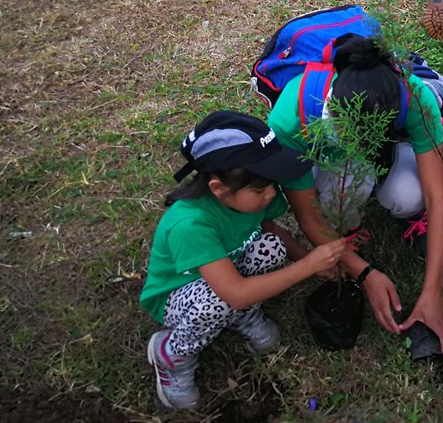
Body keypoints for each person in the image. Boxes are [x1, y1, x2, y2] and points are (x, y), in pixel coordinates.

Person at [141, 112, 346, 410]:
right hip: (179, 296)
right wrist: (308, 266)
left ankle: (241, 315)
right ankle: (172, 354)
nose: (271, 194)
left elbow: (271, 230)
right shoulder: (190, 224)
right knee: (221, 301)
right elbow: (234, 293)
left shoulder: (253, 198)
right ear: (218, 188)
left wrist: (312, 263)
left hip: (226, 277)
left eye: (271, 184)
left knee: (273, 247)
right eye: (260, 189)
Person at [268, 38, 443, 348]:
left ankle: (407, 213)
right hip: (328, 160)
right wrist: (365, 273)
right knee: (332, 203)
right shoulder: (293, 115)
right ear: (332, 108)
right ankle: (349, 228)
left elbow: (437, 196)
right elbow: (308, 217)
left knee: (409, 195)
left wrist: (433, 292)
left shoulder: (414, 98)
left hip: (387, 150)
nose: (352, 138)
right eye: (344, 130)